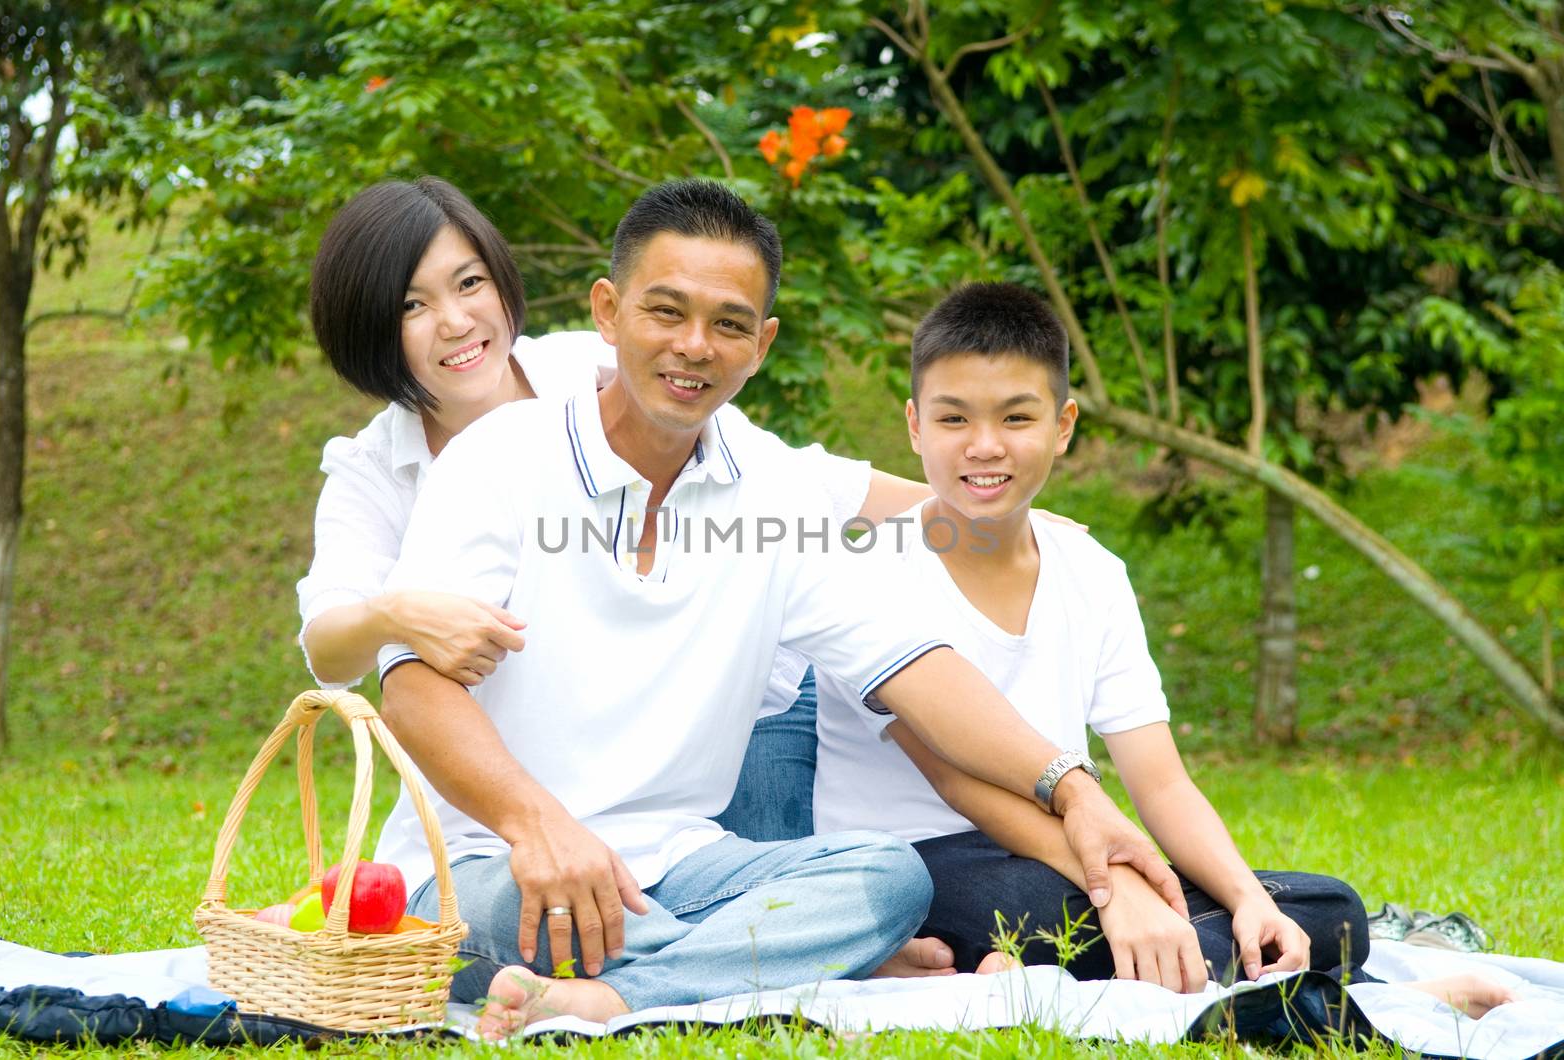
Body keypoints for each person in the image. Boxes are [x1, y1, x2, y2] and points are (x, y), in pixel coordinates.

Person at [372, 180, 1184, 1037]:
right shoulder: (501, 457)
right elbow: (414, 689)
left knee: (888, 879)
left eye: (728, 324)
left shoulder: (773, 491)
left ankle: (625, 992)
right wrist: (537, 825)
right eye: (666, 311)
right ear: (607, 313)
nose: (694, 346)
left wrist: (1073, 788)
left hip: (683, 864)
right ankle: (761, 959)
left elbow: (918, 668)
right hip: (485, 861)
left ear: (760, 345)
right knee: (538, 913)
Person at [811, 282, 1516, 1018]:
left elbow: (1161, 783)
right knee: (1076, 925)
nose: (985, 446)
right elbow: (959, 779)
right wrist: (1121, 889)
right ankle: (1329, 1000)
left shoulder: (1091, 572)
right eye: (954, 418)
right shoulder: (868, 572)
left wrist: (1245, 897)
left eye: (1017, 417)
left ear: (1063, 425)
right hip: (920, 862)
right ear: (915, 426)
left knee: (1326, 910)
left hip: (1065, 843)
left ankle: (1064, 971)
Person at [295, 176, 913, 845]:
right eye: (413, 304)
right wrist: (395, 613)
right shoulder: (372, 470)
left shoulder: (590, 365)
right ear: (370, 328)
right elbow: (329, 646)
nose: (455, 321)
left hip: (720, 720)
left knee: (804, 866)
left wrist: (985, 514)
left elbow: (799, 480)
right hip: (539, 768)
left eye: (470, 283)